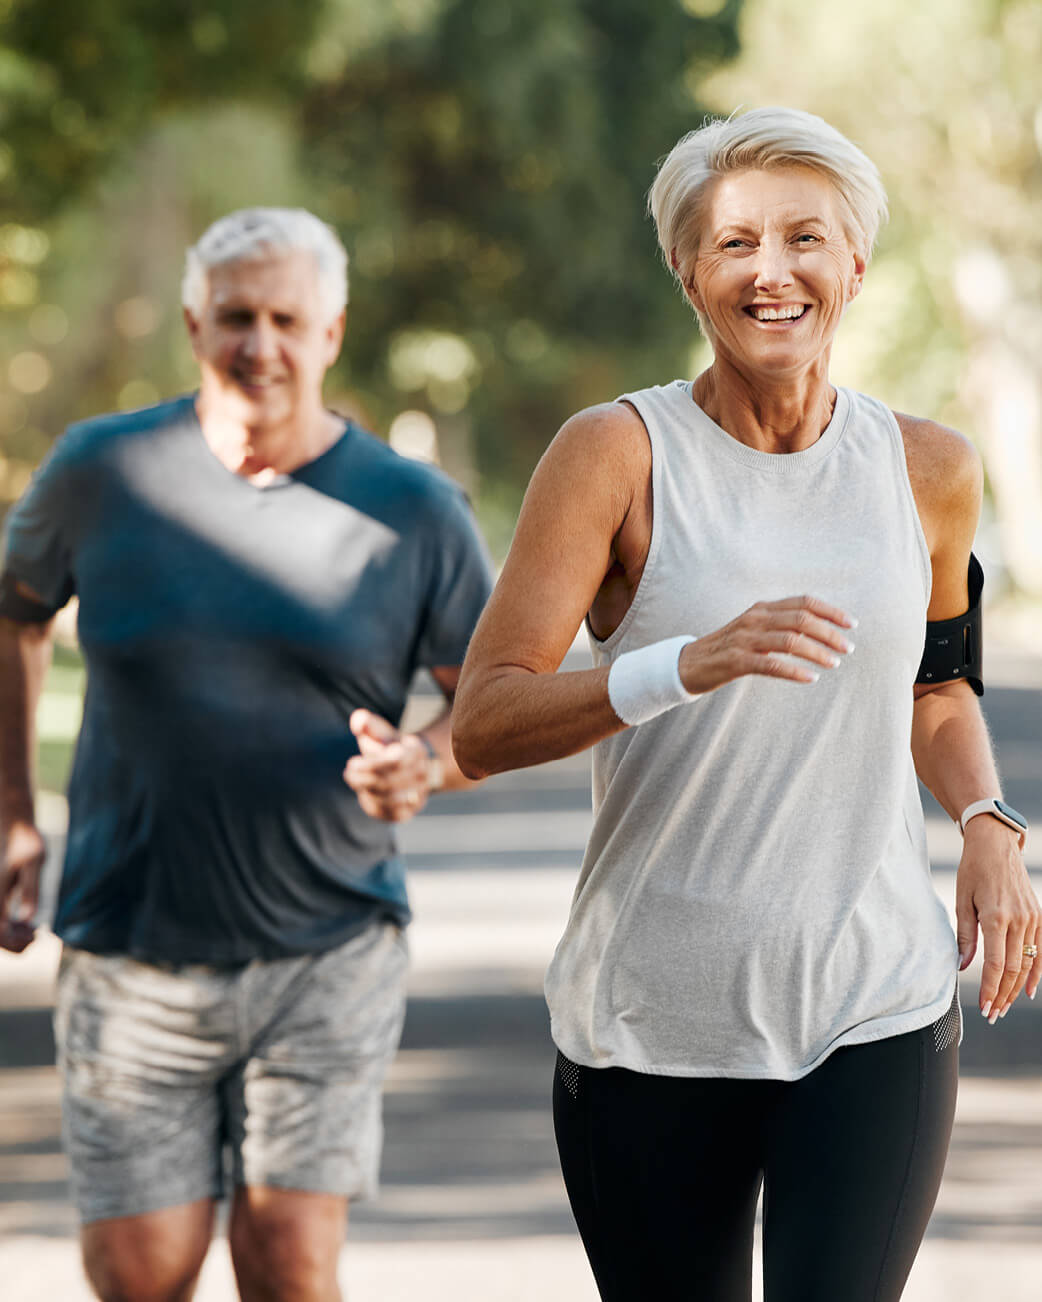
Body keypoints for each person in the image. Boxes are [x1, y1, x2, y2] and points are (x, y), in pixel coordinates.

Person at [451, 108, 1042, 1301]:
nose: (771, 272)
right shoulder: (612, 454)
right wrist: (683, 663)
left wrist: (987, 819)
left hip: (872, 1002)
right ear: (686, 271)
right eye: (732, 245)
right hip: (651, 1018)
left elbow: (935, 684)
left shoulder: (928, 469)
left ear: (855, 267)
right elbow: (485, 719)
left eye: (803, 239)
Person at [0, 207, 493, 1302]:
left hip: (328, 945)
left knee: (289, 1265)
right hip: (130, 942)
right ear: (193, 323)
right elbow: (15, 615)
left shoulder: (416, 512)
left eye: (285, 318)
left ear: (331, 332)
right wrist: (13, 816)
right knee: (141, 1273)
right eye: (234, 317)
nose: (258, 344)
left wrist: (426, 760)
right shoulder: (101, 472)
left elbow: (491, 709)